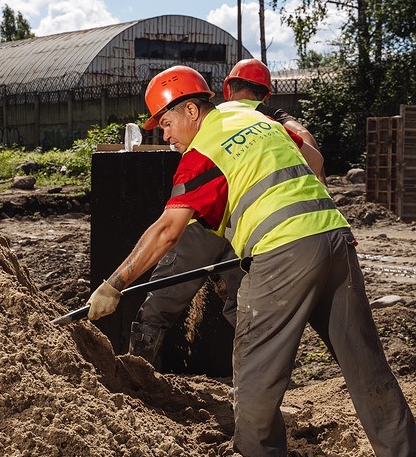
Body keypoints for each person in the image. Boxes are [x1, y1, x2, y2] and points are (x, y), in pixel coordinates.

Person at [88, 65, 416, 457]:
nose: (167, 136)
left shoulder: (202, 154)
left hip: (282, 254)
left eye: (168, 124)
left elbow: (166, 232)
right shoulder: (257, 120)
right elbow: (312, 161)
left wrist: (114, 284)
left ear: (191, 111)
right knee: (365, 364)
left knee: (254, 384)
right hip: (334, 239)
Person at [128, 59, 325, 365]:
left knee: (168, 287)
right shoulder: (270, 117)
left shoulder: (226, 114)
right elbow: (310, 147)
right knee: (242, 302)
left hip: (209, 220)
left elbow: (169, 228)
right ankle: (255, 376)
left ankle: (137, 367)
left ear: (227, 89)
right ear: (268, 93)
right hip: (246, 227)